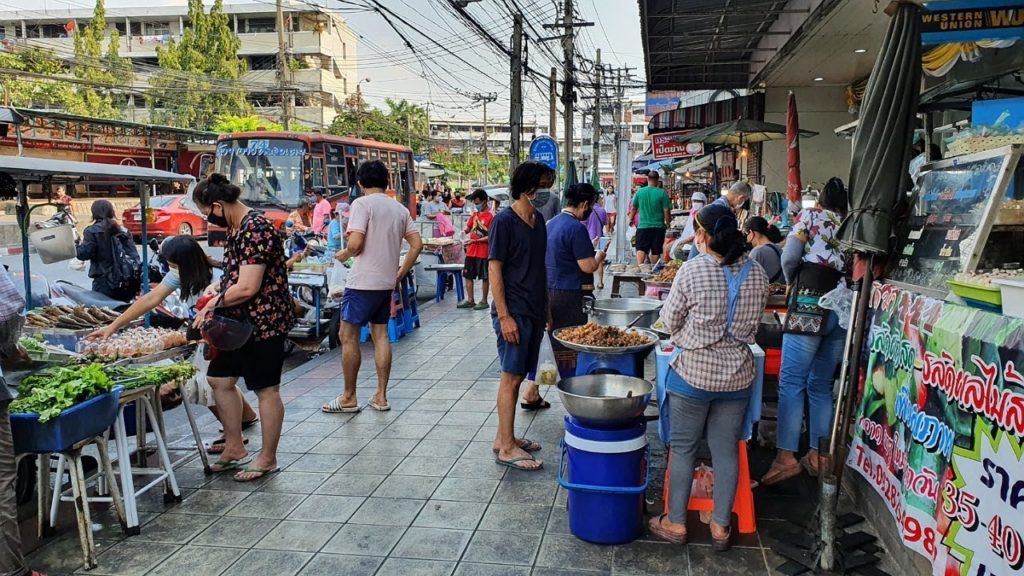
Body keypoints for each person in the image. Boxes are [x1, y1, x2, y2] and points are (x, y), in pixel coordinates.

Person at [649, 202, 768, 550]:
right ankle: (720, 526)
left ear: (702, 235)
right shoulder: (758, 272)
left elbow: (669, 321)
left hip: (693, 375)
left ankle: (675, 523)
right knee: (725, 451)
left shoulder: (693, 270)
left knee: (684, 449)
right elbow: (755, 325)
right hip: (737, 376)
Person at [85, 236, 259, 454]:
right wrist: (112, 326)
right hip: (208, 338)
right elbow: (150, 299)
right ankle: (245, 418)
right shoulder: (181, 274)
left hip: (226, 338)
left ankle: (234, 438)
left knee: (209, 384)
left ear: (185, 263)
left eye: (172, 265)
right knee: (217, 384)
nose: (170, 269)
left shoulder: (217, 278)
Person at [190, 173, 295, 482]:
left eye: (207, 213)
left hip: (263, 322)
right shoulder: (237, 228)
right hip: (236, 323)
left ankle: (267, 458)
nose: (208, 219)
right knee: (219, 380)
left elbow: (248, 287)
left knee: (266, 389)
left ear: (218, 205)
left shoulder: (255, 229)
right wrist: (219, 288)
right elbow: (238, 275)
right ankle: (235, 447)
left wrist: (213, 303)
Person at [763, 177, 848, 485]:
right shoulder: (851, 224)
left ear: (820, 200)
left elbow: (789, 257)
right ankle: (818, 455)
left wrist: (790, 282)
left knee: (791, 382)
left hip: (810, 303)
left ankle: (786, 458)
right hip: (841, 308)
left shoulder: (811, 216)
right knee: (821, 385)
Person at [323, 160, 423, 414]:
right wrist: (400, 273)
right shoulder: (399, 209)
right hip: (386, 282)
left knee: (347, 336)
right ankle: (381, 396)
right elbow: (417, 244)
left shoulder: (362, 204)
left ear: (360, 183)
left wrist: (346, 253)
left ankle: (349, 397)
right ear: (386, 181)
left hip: (362, 282)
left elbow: (356, 243)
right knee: (381, 336)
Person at [518, 183, 607, 410]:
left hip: (548, 290)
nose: (591, 210)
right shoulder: (576, 228)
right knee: (569, 344)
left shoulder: (551, 223)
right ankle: (573, 396)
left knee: (549, 343)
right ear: (585, 204)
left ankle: (531, 390)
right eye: (591, 205)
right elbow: (587, 266)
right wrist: (599, 255)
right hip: (568, 295)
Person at [490, 161, 554, 471]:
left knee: (519, 376)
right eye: (542, 186)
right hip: (513, 311)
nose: (546, 192)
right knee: (512, 378)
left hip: (534, 309)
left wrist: (546, 308)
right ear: (526, 188)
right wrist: (504, 317)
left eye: (548, 186)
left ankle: (504, 437)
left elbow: (540, 267)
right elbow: (494, 268)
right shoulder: (504, 221)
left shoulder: (538, 220)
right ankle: (506, 448)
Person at [75, 199, 139, 302]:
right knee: (125, 308)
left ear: (94, 213)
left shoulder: (92, 231)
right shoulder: (123, 230)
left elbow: (84, 253)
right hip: (127, 281)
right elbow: (134, 255)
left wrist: (75, 245)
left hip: (104, 282)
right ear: (112, 212)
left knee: (104, 309)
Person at [689, 182, 751, 261]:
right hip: (706, 254)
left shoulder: (721, 205)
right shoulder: (721, 209)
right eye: (745, 200)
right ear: (740, 198)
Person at [458, 189, 493, 311]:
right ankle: (470, 299)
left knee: (485, 277)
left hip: (483, 252)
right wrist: (464, 232)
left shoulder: (491, 217)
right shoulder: (475, 215)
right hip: (471, 250)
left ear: (484, 201)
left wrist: (475, 241)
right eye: (474, 203)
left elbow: (491, 236)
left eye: (477, 203)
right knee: (468, 275)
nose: (476, 205)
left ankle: (484, 300)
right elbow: (469, 227)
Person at [629, 171, 672, 265]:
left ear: (648, 179)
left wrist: (630, 219)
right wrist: (668, 223)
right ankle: (654, 270)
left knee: (641, 248)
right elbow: (666, 211)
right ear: (657, 180)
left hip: (643, 226)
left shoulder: (640, 192)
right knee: (655, 250)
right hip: (658, 227)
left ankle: (640, 267)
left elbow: (634, 208)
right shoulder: (662, 193)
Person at [743, 216, 784, 284]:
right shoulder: (776, 247)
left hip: (770, 290)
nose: (746, 239)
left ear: (751, 232)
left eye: (746, 234)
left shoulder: (758, 251)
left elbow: (745, 280)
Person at [585, 193, 609, 290]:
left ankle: (589, 283)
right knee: (600, 262)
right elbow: (605, 223)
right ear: (598, 200)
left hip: (588, 238)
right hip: (600, 238)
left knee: (588, 260)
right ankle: (600, 282)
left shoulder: (586, 210)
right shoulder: (602, 210)